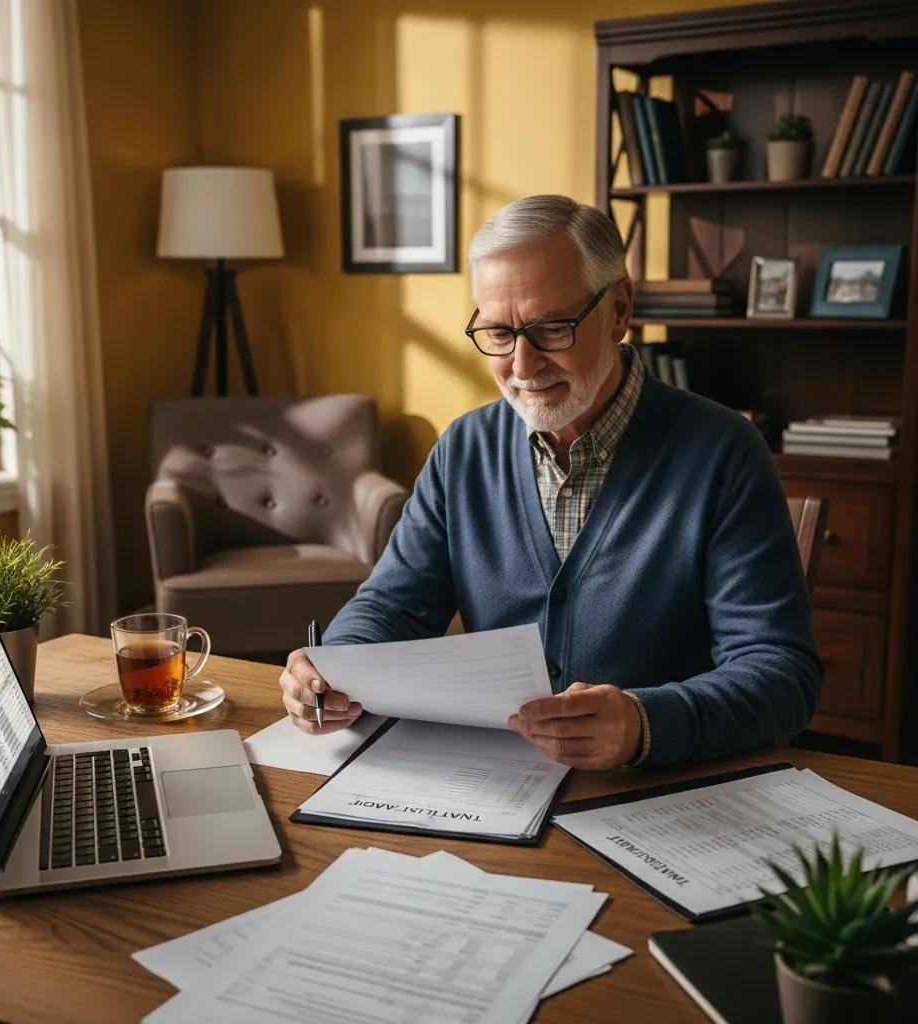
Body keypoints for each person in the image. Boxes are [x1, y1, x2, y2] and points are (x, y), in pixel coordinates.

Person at [279, 194, 822, 769]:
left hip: (660, 790)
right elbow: (392, 606)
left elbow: (781, 675)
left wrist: (643, 724)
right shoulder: (465, 448)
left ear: (619, 311)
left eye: (552, 329)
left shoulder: (722, 452)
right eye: (498, 333)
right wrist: (333, 667)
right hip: (494, 781)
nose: (522, 365)